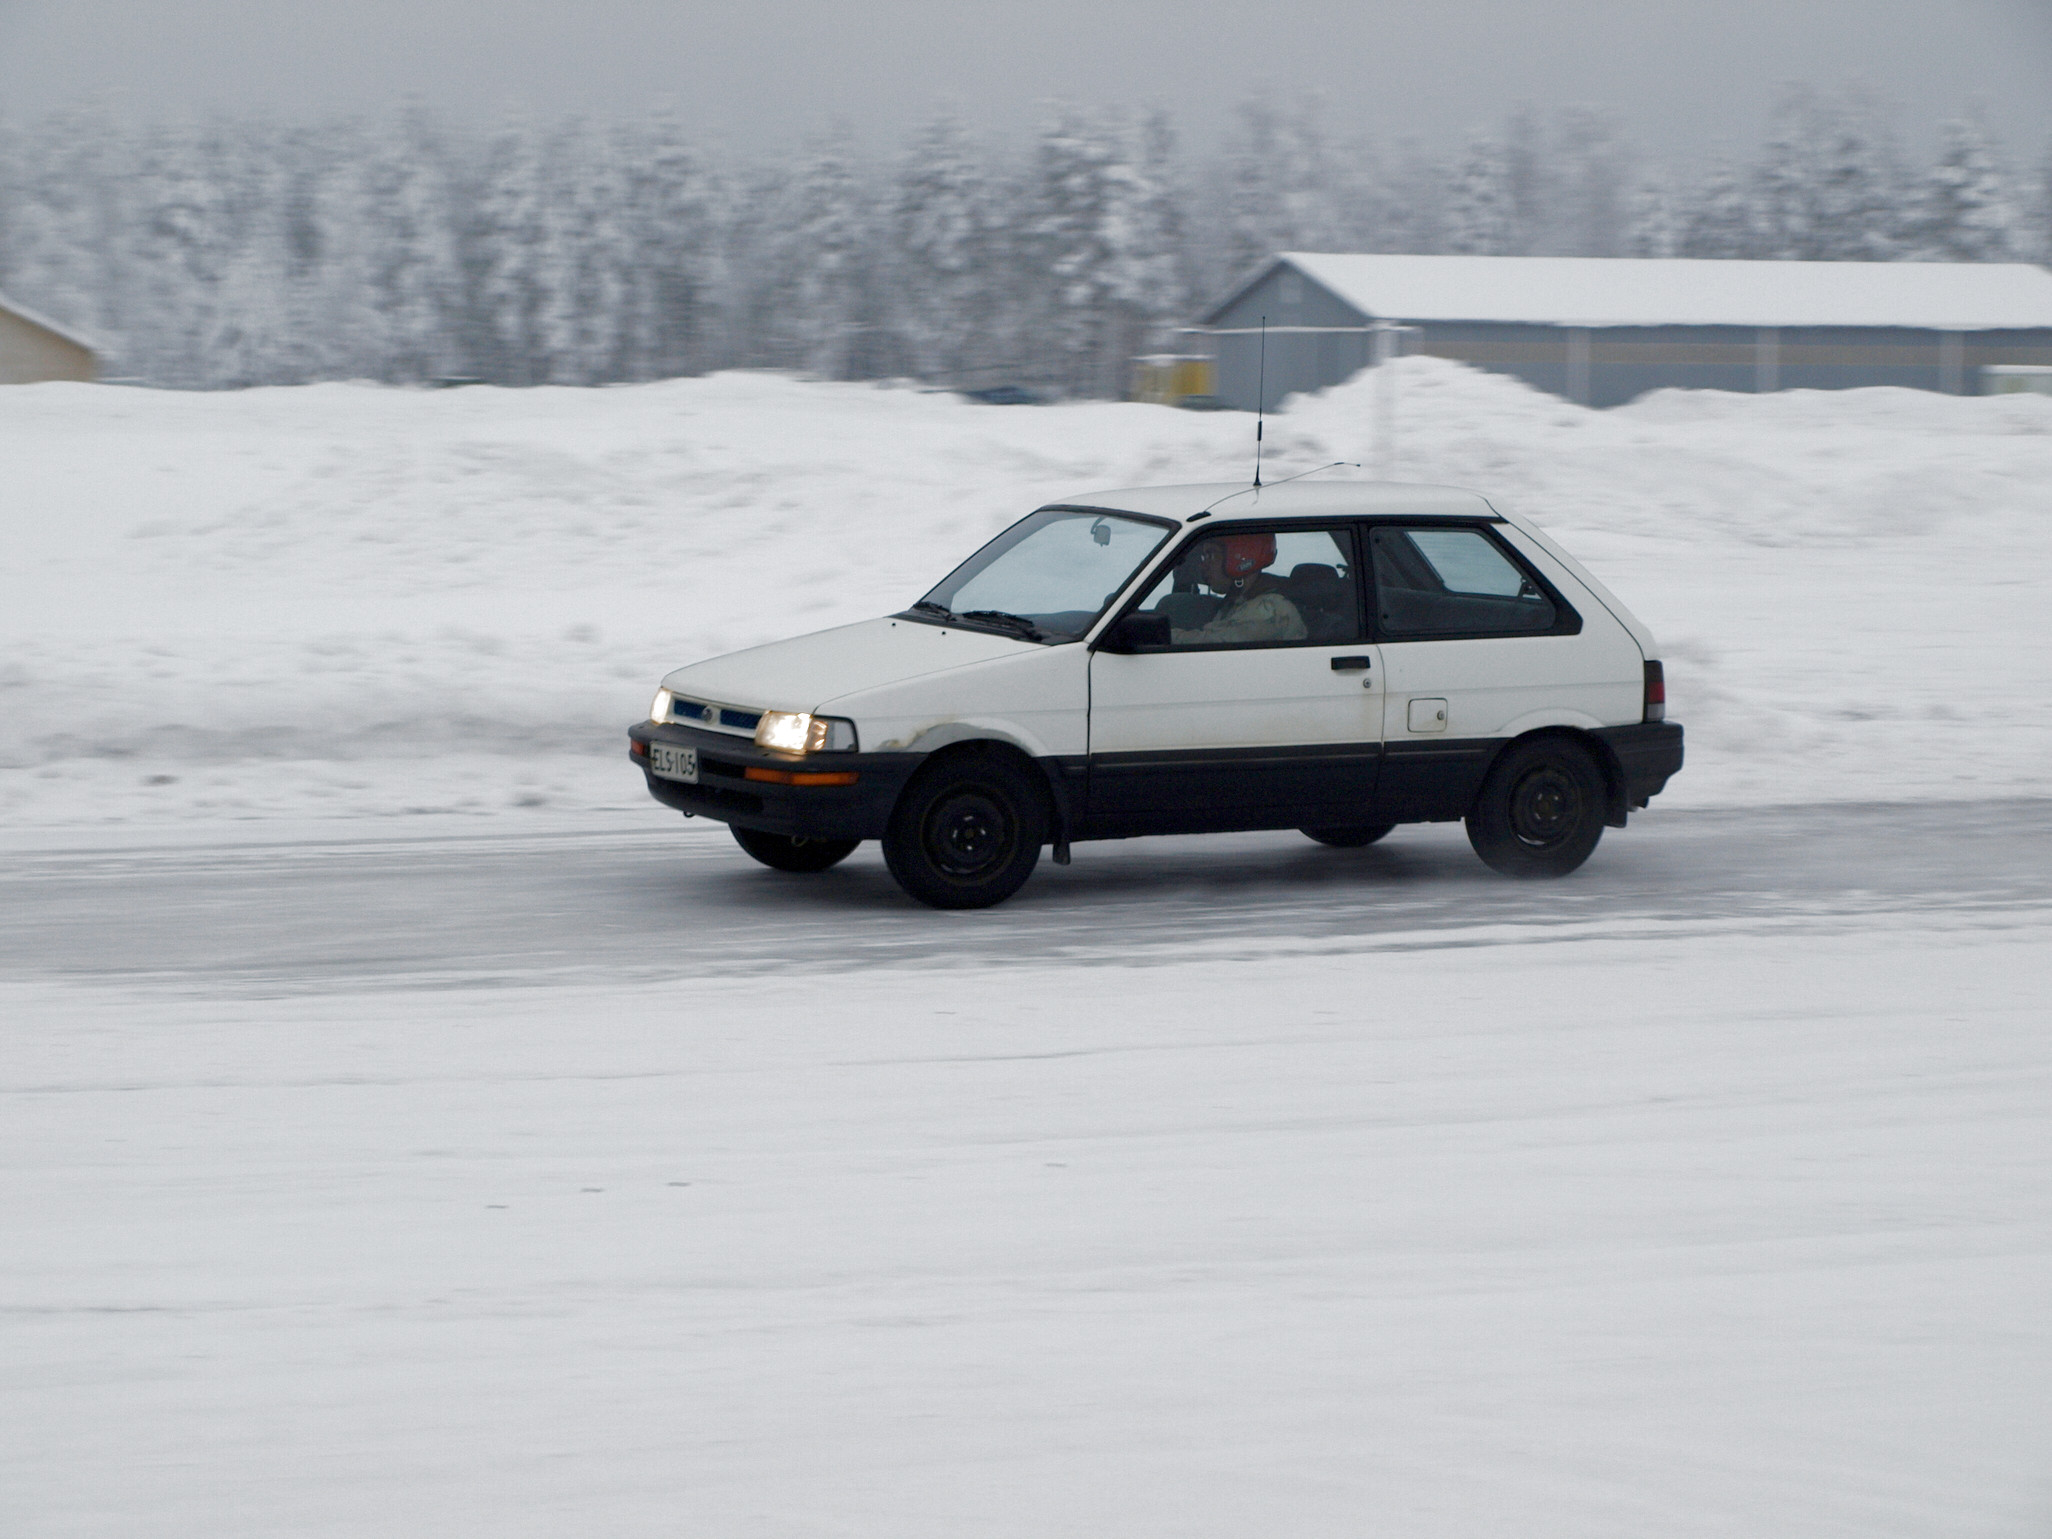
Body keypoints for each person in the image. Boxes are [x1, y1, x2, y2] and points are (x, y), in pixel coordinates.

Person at [1169, 533, 1306, 645]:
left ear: (1240, 557)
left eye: (1211, 555)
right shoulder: (1239, 601)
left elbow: (1213, 643)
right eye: (1204, 557)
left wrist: (1163, 636)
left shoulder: (1268, 610)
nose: (1203, 566)